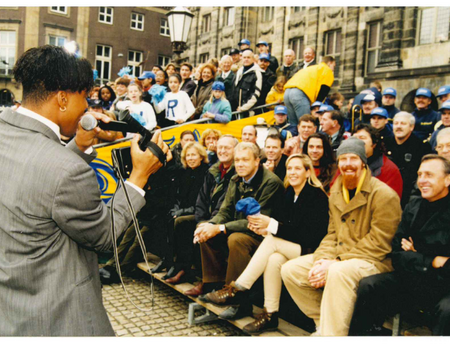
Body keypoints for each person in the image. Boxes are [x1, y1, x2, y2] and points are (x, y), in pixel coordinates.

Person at [0, 45, 168, 336]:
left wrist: (78, 146)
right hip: (62, 320)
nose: (88, 108)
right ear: (63, 98)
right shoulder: (66, 170)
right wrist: (138, 177)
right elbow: (103, 236)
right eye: (85, 98)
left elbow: (38, 181)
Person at [281, 137, 402, 336]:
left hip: (373, 260)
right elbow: (332, 233)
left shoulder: (384, 195)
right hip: (340, 257)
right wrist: (321, 261)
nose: (347, 164)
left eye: (353, 158)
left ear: (363, 162)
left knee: (337, 272)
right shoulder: (337, 192)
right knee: (291, 270)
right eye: (343, 159)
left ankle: (333, 335)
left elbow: (379, 243)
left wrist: (335, 261)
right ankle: (325, 324)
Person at [203, 154, 329, 334]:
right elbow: (285, 228)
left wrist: (270, 226)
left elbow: (307, 236)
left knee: (271, 242)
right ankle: (270, 314)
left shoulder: (316, 196)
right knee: (274, 260)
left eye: (298, 168)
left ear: (308, 172)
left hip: (313, 251)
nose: (292, 172)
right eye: (290, 168)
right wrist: (264, 229)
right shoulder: (289, 194)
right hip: (293, 247)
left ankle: (238, 287)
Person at [349, 155, 450, 336]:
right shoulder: (414, 205)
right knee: (370, 286)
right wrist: (433, 260)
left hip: (444, 288)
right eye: (420, 175)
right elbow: (396, 252)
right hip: (412, 280)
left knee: (447, 310)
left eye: (429, 175)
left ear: (448, 179)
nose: (422, 180)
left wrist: (415, 253)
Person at [195, 142, 285, 320]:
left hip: (266, 236)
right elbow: (225, 211)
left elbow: (257, 221)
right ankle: (215, 288)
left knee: (236, 239)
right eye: (237, 160)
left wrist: (220, 228)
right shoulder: (236, 179)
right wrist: (209, 225)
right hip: (242, 229)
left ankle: (239, 302)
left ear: (257, 161)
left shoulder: (271, 183)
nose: (240, 164)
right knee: (205, 232)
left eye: (245, 160)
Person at [183, 135, 239, 296]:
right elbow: (201, 198)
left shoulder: (236, 172)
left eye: (227, 147)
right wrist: (201, 221)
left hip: (226, 219)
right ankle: (187, 270)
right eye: (220, 147)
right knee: (183, 224)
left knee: (206, 235)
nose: (222, 151)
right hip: (210, 217)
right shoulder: (214, 170)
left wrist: (209, 224)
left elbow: (225, 205)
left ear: (235, 150)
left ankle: (209, 282)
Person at [162, 142, 210, 283]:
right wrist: (177, 209)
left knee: (180, 222)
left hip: (201, 212)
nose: (190, 158)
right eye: (188, 155)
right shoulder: (185, 173)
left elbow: (201, 203)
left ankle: (182, 267)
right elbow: (179, 197)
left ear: (201, 157)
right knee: (167, 217)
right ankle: (171, 262)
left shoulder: (205, 173)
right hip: (186, 210)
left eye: (193, 155)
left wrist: (181, 211)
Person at [385, 112, 431, 208]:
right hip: (386, 192)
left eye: (403, 123)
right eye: (396, 123)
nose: (398, 126)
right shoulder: (385, 144)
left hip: (408, 195)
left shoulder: (421, 147)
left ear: (411, 127)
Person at [353, 124, 403, 199]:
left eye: (362, 138)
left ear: (374, 144)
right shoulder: (346, 165)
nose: (356, 142)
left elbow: (389, 202)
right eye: (354, 138)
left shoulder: (389, 170)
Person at [283, 56, 335, 126]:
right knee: (306, 123)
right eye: (333, 66)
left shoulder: (311, 68)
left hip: (287, 92)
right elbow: (324, 89)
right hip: (299, 93)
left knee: (294, 125)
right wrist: (317, 106)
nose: (333, 69)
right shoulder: (327, 70)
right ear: (330, 63)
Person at [229, 49, 263, 118]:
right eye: (244, 57)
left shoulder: (257, 73)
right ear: (241, 58)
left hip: (248, 111)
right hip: (236, 109)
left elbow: (256, 94)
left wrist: (244, 108)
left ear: (253, 59)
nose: (246, 59)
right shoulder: (239, 71)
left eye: (248, 57)